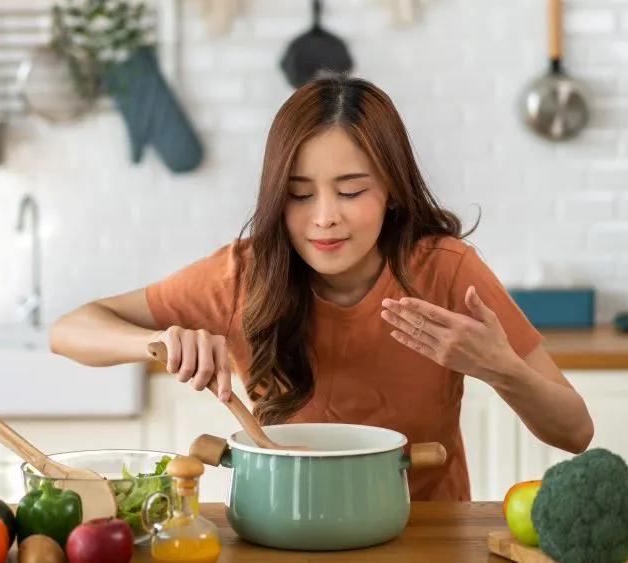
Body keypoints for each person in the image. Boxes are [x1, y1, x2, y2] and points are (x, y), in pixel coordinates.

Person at [49, 72, 594, 501]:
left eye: (351, 191)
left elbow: (575, 432)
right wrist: (158, 342)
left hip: (426, 535)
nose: (324, 217)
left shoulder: (445, 271)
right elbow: (70, 330)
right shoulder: (242, 275)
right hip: (285, 529)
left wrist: (501, 368)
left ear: (392, 189)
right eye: (299, 194)